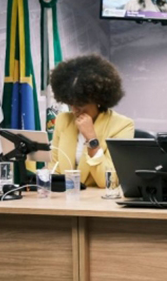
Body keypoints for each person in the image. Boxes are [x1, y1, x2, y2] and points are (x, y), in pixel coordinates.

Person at [49, 54, 135, 188]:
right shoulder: (63, 120)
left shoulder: (122, 126)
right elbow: (54, 168)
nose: (74, 110)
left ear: (98, 100)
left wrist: (91, 139)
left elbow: (110, 181)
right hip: (67, 197)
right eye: (70, 103)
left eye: (80, 104)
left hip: (97, 199)